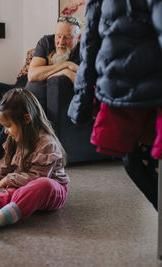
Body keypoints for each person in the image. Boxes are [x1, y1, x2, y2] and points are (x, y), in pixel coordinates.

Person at [68, 0, 162, 209]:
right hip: (123, 87)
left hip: (135, 84)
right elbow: (91, 39)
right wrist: (82, 99)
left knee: (138, 159)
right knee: (134, 160)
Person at [0, 88, 69, 232]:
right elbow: (3, 167)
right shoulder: (15, 139)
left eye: (8, 126)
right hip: (23, 185)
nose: (5, 131)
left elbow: (38, 177)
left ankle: (1, 218)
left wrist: (8, 179)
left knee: (43, 184)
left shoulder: (47, 144)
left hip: (51, 193)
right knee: (7, 193)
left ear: (26, 119)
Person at [0, 15, 82, 164]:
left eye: (67, 38)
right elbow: (32, 75)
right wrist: (66, 67)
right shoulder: (46, 41)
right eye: (58, 36)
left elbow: (81, 80)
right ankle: (1, 147)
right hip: (22, 87)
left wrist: (61, 73)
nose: (60, 42)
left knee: (20, 106)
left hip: (38, 98)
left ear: (78, 38)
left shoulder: (84, 51)